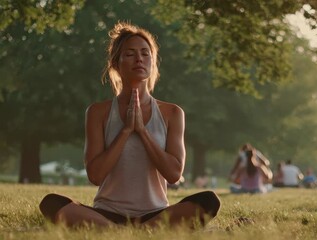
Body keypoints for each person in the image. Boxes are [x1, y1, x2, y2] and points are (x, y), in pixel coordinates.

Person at [39, 22, 220, 228]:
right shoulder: (98, 112)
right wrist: (125, 131)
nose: (139, 59)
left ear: (152, 62)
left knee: (208, 201)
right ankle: (128, 231)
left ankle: (126, 232)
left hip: (155, 214)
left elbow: (174, 174)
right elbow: (95, 176)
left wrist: (142, 132)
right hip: (106, 213)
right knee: (51, 203)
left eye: (145, 53)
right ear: (116, 63)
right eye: (130, 54)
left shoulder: (172, 113)